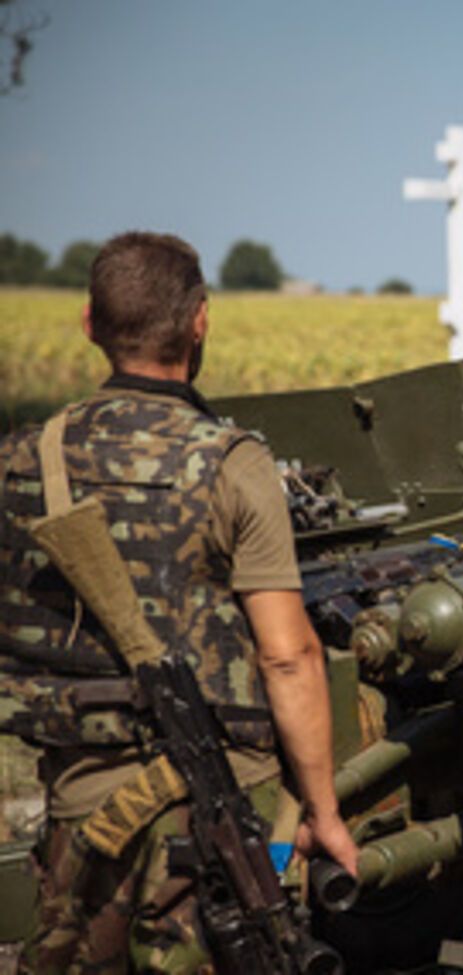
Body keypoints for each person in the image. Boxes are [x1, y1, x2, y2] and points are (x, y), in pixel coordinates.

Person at [0, 231, 358, 973]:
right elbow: (288, 656)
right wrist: (322, 813)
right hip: (211, 810)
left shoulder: (20, 457)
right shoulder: (231, 461)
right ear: (200, 322)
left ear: (89, 325)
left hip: (72, 802)